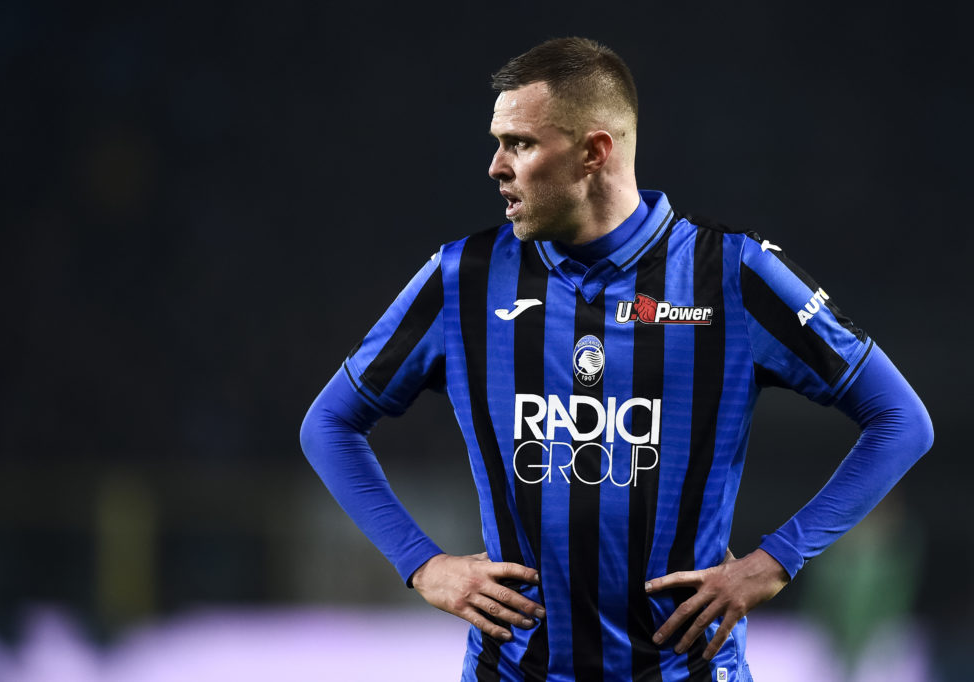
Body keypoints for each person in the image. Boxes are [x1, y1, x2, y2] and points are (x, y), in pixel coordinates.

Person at [299, 37, 933, 682]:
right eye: (498, 143)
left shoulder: (730, 274)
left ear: (594, 152)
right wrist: (422, 564)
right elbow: (328, 424)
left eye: (520, 143)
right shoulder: (464, 278)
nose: (495, 166)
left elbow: (901, 420)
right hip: (515, 670)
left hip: (685, 671)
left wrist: (773, 562)